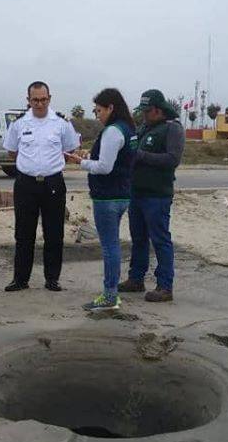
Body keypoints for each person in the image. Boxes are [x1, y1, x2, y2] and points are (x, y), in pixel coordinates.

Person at [3, 81, 80, 292]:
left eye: (43, 99)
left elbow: (71, 147)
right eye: (35, 100)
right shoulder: (19, 124)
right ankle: (20, 279)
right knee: (23, 234)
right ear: (28, 100)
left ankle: (52, 279)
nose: (39, 104)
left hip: (53, 182)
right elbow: (12, 151)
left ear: (49, 98)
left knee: (54, 233)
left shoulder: (61, 123)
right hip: (26, 183)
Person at [65, 88, 137, 312]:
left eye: (98, 111)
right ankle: (111, 292)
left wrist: (81, 162)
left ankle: (109, 295)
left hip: (108, 197)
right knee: (112, 245)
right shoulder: (128, 129)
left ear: (111, 108)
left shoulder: (113, 131)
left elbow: (105, 167)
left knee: (110, 247)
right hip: (123, 193)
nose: (97, 115)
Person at [118, 89, 185, 302]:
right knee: (138, 238)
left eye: (147, 111)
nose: (144, 115)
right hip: (136, 193)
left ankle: (165, 286)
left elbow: (172, 159)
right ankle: (136, 278)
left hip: (157, 195)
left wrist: (141, 156)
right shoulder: (144, 128)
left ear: (158, 110)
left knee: (160, 240)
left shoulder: (172, 129)